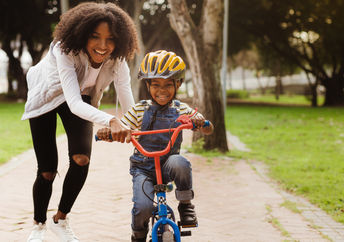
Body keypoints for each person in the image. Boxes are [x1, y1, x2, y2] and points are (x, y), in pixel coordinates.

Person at [22, 2, 139, 242]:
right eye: (95, 37)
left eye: (110, 39)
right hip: (47, 96)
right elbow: (73, 102)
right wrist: (112, 120)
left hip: (82, 97)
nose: (103, 46)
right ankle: (39, 225)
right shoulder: (64, 50)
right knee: (47, 171)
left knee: (81, 158)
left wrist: (135, 125)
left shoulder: (117, 59)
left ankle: (60, 219)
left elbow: (125, 93)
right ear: (83, 34)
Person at [96, 50, 214, 242]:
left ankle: (185, 205)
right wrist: (110, 132)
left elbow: (207, 129)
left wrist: (201, 122)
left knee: (181, 162)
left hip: (168, 166)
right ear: (148, 85)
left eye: (168, 84)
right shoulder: (139, 109)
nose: (162, 90)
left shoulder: (180, 109)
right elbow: (123, 126)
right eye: (156, 85)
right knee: (142, 207)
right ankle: (138, 234)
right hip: (143, 168)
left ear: (178, 84)